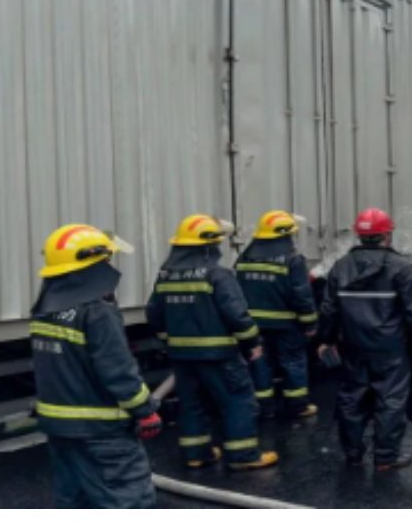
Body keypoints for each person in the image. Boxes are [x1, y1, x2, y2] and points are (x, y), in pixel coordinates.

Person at [31, 225, 163, 510]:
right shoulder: (96, 311)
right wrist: (145, 410)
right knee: (127, 500)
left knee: (74, 499)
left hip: (60, 427)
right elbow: (117, 370)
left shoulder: (45, 308)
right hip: (102, 431)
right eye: (106, 259)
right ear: (94, 262)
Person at [146, 215, 278, 473]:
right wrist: (252, 341)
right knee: (238, 400)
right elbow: (235, 312)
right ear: (210, 245)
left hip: (182, 356)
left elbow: (154, 312)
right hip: (219, 355)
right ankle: (243, 455)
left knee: (192, 402)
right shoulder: (217, 273)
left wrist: (168, 341)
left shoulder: (166, 274)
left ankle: (196, 454)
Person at [318, 209, 412, 472]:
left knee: (351, 398)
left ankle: (353, 453)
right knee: (391, 400)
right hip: (390, 347)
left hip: (352, 346)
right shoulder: (401, 267)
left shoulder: (341, 266)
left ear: (360, 235)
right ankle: (386, 456)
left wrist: (325, 340)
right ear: (386, 235)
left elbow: (329, 309)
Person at [236, 211, 319, 421]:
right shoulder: (293, 259)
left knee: (260, 365)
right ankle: (298, 407)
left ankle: (264, 409)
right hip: (286, 325)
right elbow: (301, 295)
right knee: (293, 364)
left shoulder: (245, 257)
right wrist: (310, 323)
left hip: (254, 326)